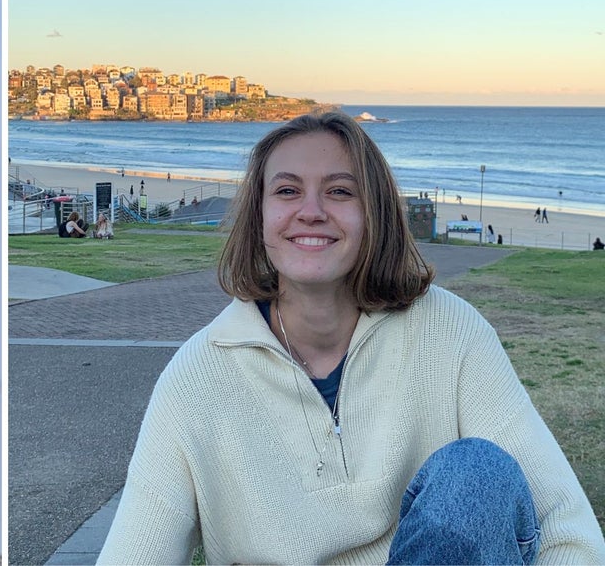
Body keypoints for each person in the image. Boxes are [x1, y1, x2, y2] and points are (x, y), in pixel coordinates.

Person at [98, 112, 604, 564]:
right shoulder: (197, 376)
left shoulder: (450, 330)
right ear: (259, 217)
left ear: (375, 215)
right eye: (287, 190)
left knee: (474, 475)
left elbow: (567, 528)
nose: (311, 211)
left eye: (340, 191)